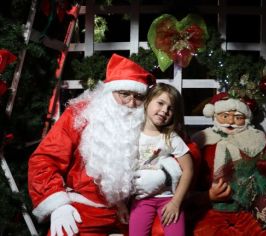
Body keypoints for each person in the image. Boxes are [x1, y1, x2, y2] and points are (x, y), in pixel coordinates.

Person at [27, 54, 164, 236]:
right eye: (124, 94)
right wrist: (58, 205)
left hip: (134, 209)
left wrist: (166, 175)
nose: (131, 103)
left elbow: (186, 149)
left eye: (138, 97)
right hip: (85, 208)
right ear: (110, 92)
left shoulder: (149, 117)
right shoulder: (81, 115)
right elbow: (44, 160)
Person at [187, 92, 266, 236]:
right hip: (209, 210)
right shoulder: (201, 141)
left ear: (246, 118)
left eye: (238, 117)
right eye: (225, 116)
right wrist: (206, 196)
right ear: (214, 115)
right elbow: (183, 180)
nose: (231, 121)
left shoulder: (258, 140)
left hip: (249, 211)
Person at [129, 83, 194, 236]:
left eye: (171, 108)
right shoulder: (132, 133)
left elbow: (189, 170)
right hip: (141, 199)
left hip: (168, 198)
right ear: (147, 101)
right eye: (160, 103)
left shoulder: (171, 138)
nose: (165, 110)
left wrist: (176, 202)